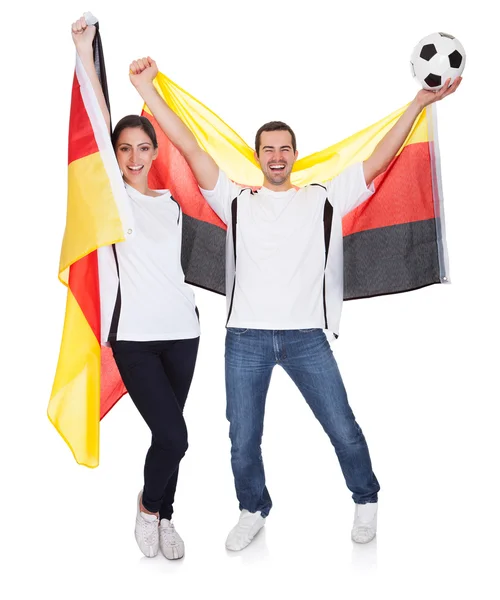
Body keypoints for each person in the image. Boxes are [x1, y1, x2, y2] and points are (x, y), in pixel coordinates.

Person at [129, 55, 461, 551]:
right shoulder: (234, 200)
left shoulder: (325, 197)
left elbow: (382, 156)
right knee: (242, 441)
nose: (277, 156)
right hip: (245, 338)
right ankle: (252, 509)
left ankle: (366, 499)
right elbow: (188, 144)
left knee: (342, 427)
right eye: (269, 149)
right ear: (259, 156)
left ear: (295, 155)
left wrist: (418, 102)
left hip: (307, 337)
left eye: (285, 149)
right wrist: (148, 90)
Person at [71, 18, 201, 560]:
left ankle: (164, 514)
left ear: (152, 151)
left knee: (165, 439)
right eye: (124, 148)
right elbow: (97, 131)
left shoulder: (171, 204)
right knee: (176, 436)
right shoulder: (114, 204)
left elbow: (190, 148)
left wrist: (151, 91)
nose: (132, 156)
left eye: (141, 146)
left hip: (184, 333)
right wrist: (85, 52)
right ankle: (149, 508)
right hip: (135, 339)